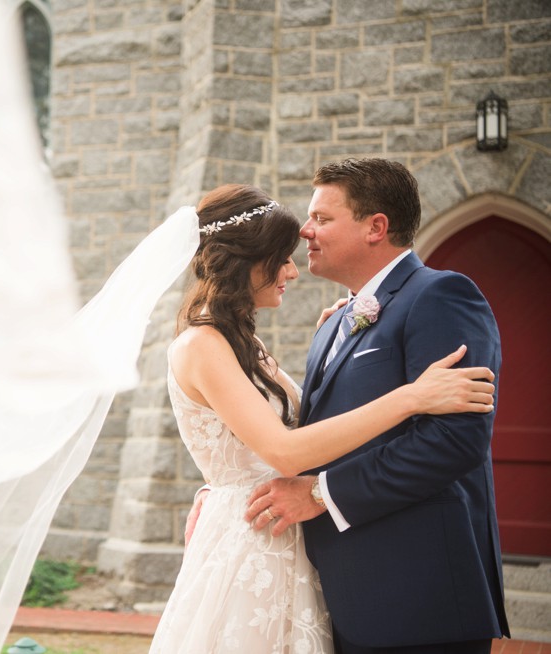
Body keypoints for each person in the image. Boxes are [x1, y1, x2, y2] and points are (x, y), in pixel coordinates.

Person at [148, 183, 496, 653]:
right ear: (244, 261)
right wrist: (411, 397)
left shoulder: (245, 343)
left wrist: (340, 341)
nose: (293, 269)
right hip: (254, 541)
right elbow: (284, 449)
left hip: (291, 540)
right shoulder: (202, 345)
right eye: (281, 257)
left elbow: (289, 426)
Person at [241, 158, 510, 653]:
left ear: (376, 227)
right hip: (341, 594)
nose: (305, 230)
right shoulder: (334, 322)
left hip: (417, 596)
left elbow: (452, 443)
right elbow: (312, 434)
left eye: (322, 218)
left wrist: (320, 495)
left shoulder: (441, 297)